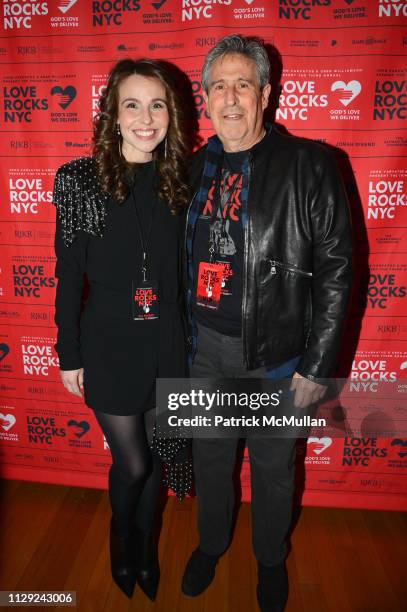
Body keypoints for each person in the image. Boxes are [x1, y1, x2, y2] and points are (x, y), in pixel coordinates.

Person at [181, 35, 352, 611]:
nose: (230, 98)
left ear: (266, 94)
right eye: (219, 86)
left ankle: (271, 560)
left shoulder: (311, 165)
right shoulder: (188, 168)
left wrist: (316, 367)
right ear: (205, 98)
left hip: (278, 358)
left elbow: (337, 271)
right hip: (204, 351)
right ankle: (209, 545)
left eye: (243, 84)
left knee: (276, 471)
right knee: (210, 462)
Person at [52, 58, 191, 600]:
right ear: (112, 114)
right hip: (108, 341)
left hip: (168, 340)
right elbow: (68, 277)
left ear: (170, 115)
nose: (145, 117)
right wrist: (69, 353)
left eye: (157, 104)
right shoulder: (79, 180)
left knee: (158, 453)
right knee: (132, 463)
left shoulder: (182, 178)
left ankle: (146, 547)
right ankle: (120, 537)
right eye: (131, 104)